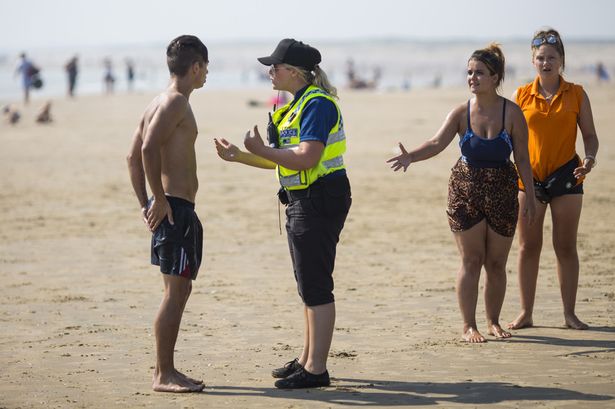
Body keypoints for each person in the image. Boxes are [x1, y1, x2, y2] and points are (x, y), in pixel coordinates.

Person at [214, 38, 351, 388]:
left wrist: (260, 148)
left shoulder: (317, 105)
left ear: (294, 72)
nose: (269, 72)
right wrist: (241, 156)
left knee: (317, 286)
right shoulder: (297, 104)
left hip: (319, 199)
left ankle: (317, 369)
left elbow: (307, 158)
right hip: (302, 199)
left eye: (274, 67)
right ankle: (308, 358)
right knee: (307, 285)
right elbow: (283, 160)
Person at [387, 44, 536, 343]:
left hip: (503, 191)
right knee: (471, 259)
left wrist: (529, 196)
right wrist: (410, 157)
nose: (472, 78)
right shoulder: (461, 112)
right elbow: (436, 143)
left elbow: (522, 158)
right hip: (465, 191)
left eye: (479, 73)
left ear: (495, 77)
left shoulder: (512, 113)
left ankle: (493, 321)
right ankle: (469, 325)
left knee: (496, 263)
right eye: (469, 72)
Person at [126, 35, 209, 393]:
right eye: (206, 67)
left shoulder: (157, 102)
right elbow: (145, 148)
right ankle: (164, 374)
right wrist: (157, 201)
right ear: (196, 67)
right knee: (175, 293)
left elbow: (132, 156)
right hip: (175, 208)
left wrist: (146, 202)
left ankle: (169, 370)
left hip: (173, 207)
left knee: (178, 289)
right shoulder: (175, 102)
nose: (207, 73)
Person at [508, 29, 599, 331]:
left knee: (565, 246)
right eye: (540, 58)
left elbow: (590, 136)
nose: (546, 63)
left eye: (552, 58)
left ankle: (569, 314)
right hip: (529, 177)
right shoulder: (521, 95)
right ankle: (525, 313)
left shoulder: (576, 93)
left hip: (567, 176)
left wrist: (588, 160)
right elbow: (507, 137)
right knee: (527, 247)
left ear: (561, 60)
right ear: (532, 61)